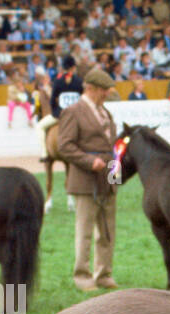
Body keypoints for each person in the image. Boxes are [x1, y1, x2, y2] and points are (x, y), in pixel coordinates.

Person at [58, 68, 120, 291]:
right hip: (86, 179)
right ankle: (82, 275)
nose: (106, 94)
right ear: (91, 88)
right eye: (103, 90)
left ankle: (104, 273)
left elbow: (110, 146)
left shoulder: (106, 113)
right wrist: (87, 161)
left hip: (108, 177)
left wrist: (115, 174)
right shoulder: (73, 112)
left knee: (107, 229)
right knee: (84, 230)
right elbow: (64, 145)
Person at [38, 56, 83, 162]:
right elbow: (82, 100)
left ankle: (44, 153)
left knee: (40, 127)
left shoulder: (58, 82)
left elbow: (53, 101)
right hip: (76, 115)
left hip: (61, 114)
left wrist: (57, 113)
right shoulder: (79, 81)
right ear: (73, 67)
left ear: (63, 68)